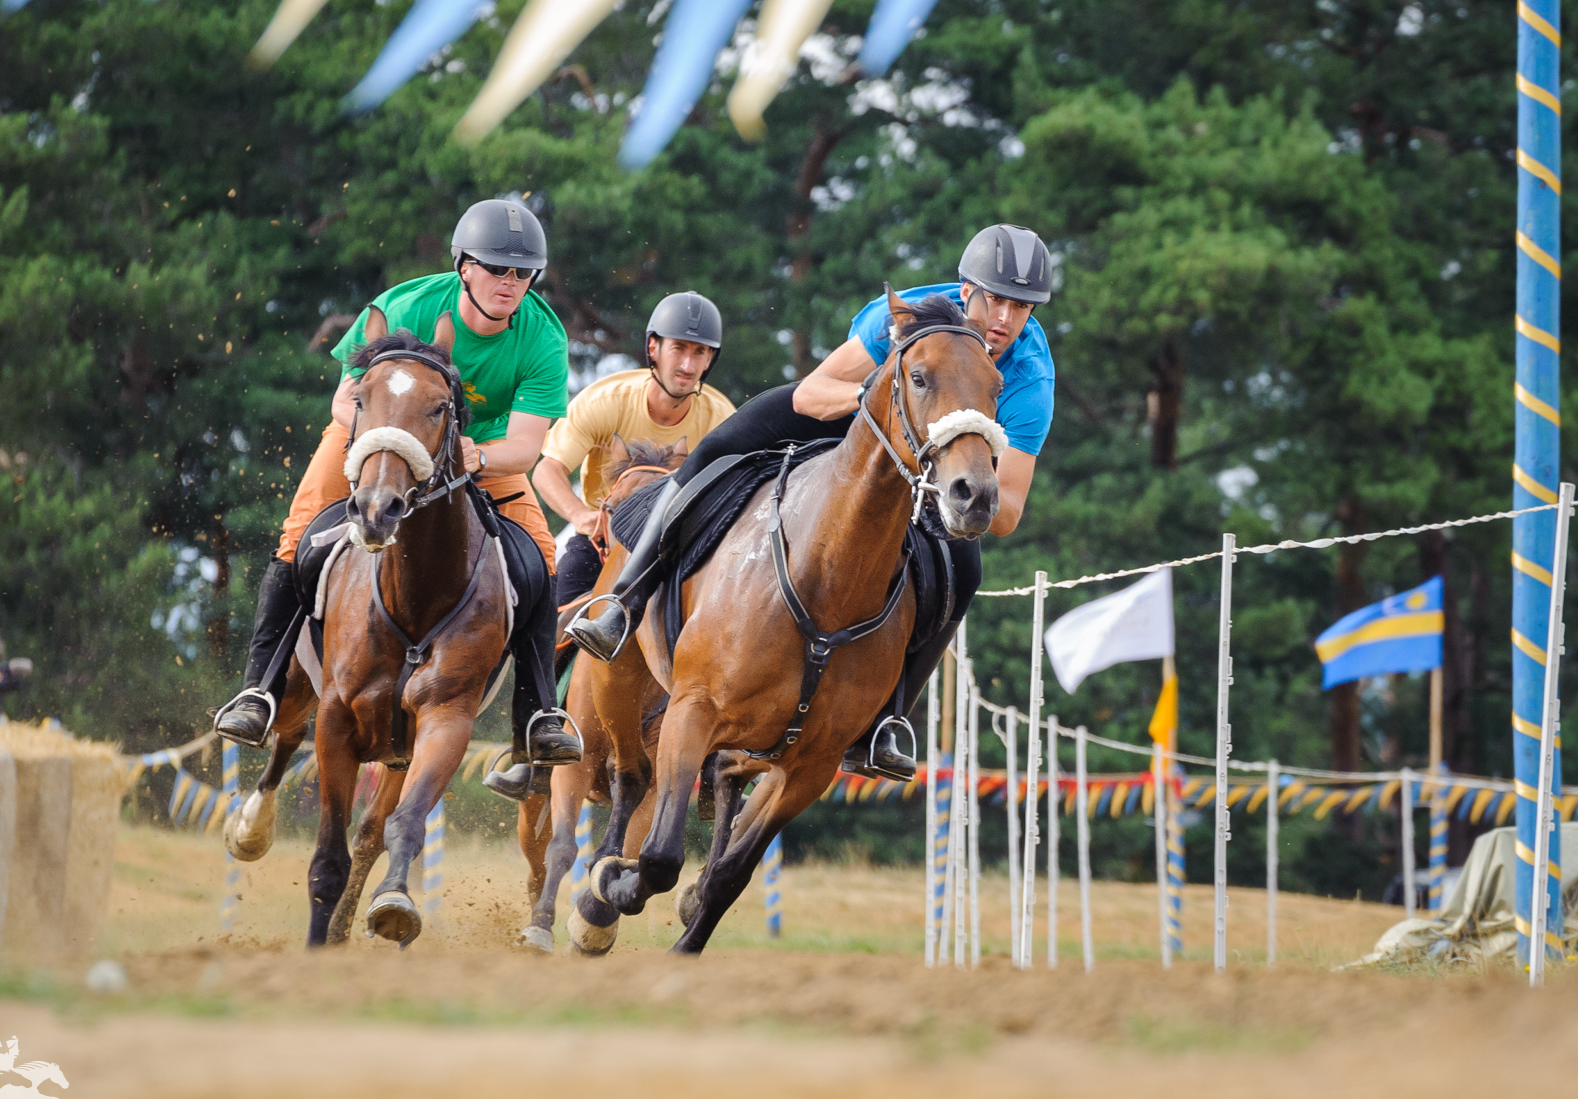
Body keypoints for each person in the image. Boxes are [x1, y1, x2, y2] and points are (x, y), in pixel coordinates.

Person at [566, 224, 1056, 780]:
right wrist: (889, 403)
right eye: (995, 298)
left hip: (928, 468)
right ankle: (624, 601)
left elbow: (1009, 508)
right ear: (966, 288)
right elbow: (809, 393)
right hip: (857, 418)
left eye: (1022, 307)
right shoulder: (902, 316)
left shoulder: (1031, 376)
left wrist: (947, 473)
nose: (1005, 320)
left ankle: (887, 721)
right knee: (716, 449)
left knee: (964, 569)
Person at [210, 198, 581, 777]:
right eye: (496, 268)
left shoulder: (542, 338)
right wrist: (386, 445)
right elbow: (343, 400)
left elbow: (527, 449)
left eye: (523, 273)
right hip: (377, 439)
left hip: (475, 451)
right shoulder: (403, 305)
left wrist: (468, 454)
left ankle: (537, 718)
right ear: (464, 266)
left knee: (542, 558)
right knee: (296, 537)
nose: (511, 284)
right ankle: (258, 692)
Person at [534, 291, 736, 612]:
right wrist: (582, 518)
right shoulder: (604, 401)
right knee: (555, 623)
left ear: (710, 360)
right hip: (601, 540)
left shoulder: (723, 420)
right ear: (653, 348)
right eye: (679, 348)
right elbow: (548, 470)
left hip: (679, 546)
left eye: (700, 352)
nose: (687, 365)